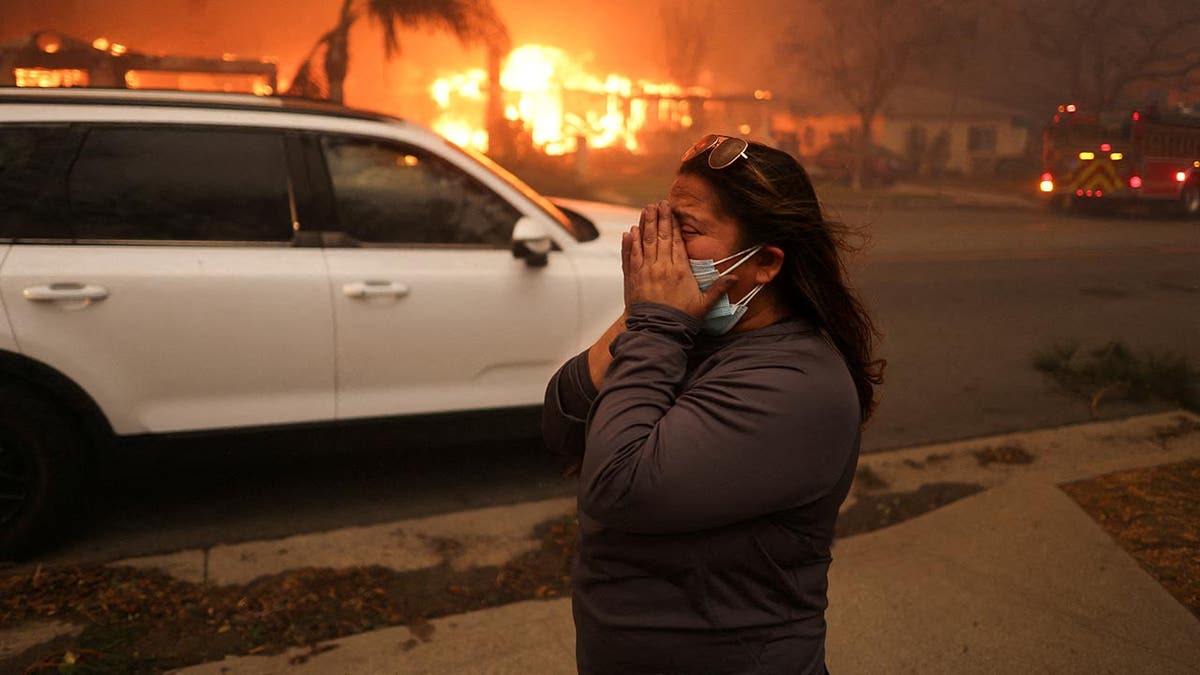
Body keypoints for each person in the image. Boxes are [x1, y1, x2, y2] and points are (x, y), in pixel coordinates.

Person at [542, 134, 883, 674]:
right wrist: (644, 312)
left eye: (688, 232)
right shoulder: (683, 331)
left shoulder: (798, 383)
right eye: (665, 226)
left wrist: (655, 319)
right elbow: (563, 419)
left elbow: (617, 486)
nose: (666, 252)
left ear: (766, 263)